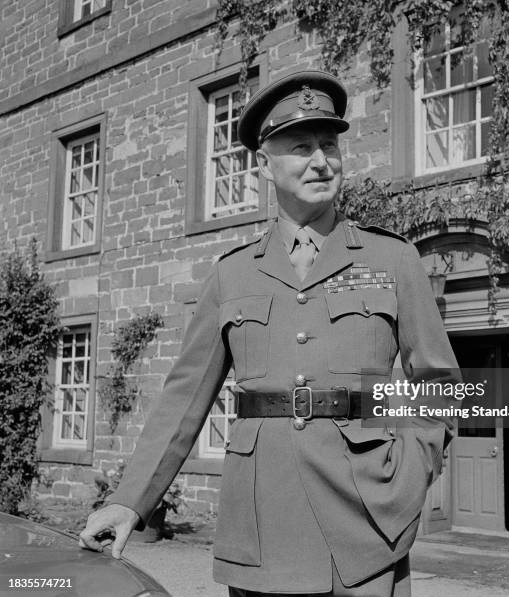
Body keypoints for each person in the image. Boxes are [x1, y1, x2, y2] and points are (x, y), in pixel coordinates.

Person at [80, 70, 459, 597]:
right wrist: (130, 500)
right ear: (265, 165)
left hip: (369, 522)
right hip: (261, 526)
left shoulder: (391, 259)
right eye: (301, 147)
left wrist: (413, 469)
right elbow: (184, 399)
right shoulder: (231, 275)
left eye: (330, 144)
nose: (321, 160)